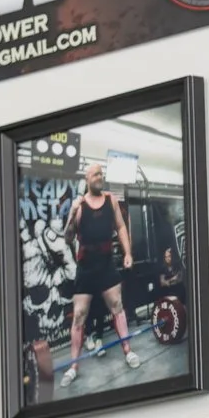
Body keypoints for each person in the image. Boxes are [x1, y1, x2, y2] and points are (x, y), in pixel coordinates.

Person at [58, 159, 134, 384]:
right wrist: (71, 213)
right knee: (79, 315)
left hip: (106, 263)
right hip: (86, 266)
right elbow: (68, 237)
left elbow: (120, 227)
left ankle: (128, 351)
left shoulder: (111, 200)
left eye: (101, 174)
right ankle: (73, 367)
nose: (99, 178)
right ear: (87, 180)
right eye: (95, 175)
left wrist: (127, 253)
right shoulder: (80, 207)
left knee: (117, 307)